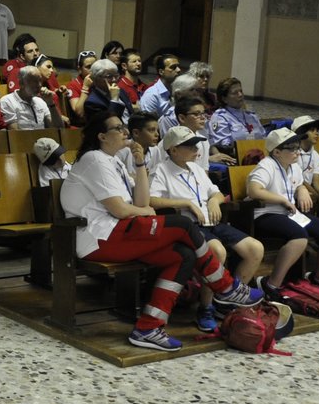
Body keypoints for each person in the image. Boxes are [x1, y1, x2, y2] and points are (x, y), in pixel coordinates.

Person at [61, 113, 263, 351]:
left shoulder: (113, 161)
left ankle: (148, 328)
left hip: (120, 232)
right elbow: (119, 209)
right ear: (102, 136)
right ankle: (225, 286)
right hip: (98, 237)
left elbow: (141, 200)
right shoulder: (94, 159)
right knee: (183, 225)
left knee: (183, 256)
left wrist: (139, 165)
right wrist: (144, 211)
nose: (125, 131)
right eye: (118, 128)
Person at [150, 125, 265, 332]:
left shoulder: (195, 169)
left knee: (255, 248)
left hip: (212, 222)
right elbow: (151, 200)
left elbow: (217, 193)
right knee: (217, 252)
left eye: (196, 144)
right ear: (173, 150)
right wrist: (185, 203)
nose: (196, 149)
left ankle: (228, 301)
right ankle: (206, 307)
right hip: (187, 226)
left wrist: (214, 201)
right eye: (190, 145)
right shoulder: (161, 170)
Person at [247, 127, 319, 293]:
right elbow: (254, 190)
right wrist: (282, 200)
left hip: (289, 214)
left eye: (297, 147)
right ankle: (272, 284)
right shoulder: (266, 166)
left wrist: (302, 189)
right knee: (299, 236)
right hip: (265, 213)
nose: (297, 152)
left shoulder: (294, 166)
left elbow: (297, 183)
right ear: (276, 152)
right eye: (291, 148)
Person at [208, 77, 266, 154]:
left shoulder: (251, 116)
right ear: (224, 99)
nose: (240, 95)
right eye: (235, 93)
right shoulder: (220, 117)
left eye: (241, 91)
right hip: (237, 158)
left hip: (260, 156)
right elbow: (224, 146)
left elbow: (264, 137)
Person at [0, 65, 52, 130]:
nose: (39, 85)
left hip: (44, 139)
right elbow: (14, 134)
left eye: (40, 80)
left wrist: (51, 103)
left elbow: (58, 128)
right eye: (35, 81)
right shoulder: (7, 101)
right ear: (22, 84)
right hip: (23, 139)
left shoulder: (40, 101)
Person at [136, 52, 184, 118]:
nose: (179, 70)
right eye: (173, 67)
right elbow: (147, 124)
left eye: (178, 66)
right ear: (161, 72)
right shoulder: (151, 95)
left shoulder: (180, 90)